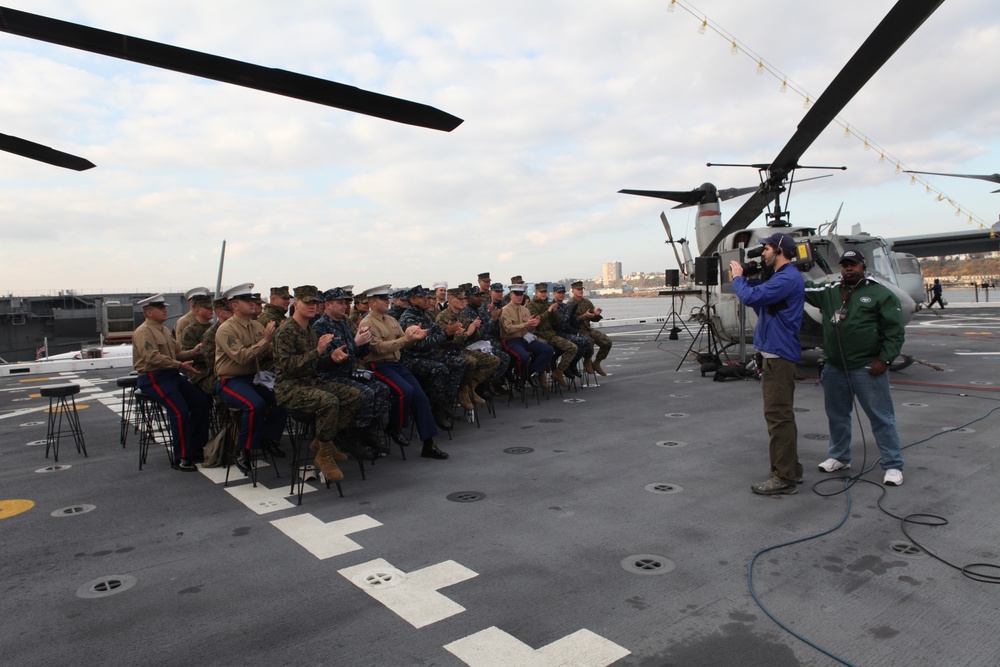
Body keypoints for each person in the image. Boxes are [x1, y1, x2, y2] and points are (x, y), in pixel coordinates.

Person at [804, 249, 906, 486]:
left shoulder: (881, 294)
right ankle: (840, 457)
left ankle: (893, 465)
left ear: (863, 266)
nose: (848, 268)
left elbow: (895, 331)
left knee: (881, 418)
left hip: (867, 367)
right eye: (845, 265)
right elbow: (801, 288)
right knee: (837, 416)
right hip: (835, 367)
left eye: (853, 264)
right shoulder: (829, 292)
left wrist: (885, 360)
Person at [729, 232, 806, 495]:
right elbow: (760, 305)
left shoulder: (787, 277)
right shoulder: (782, 278)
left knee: (777, 416)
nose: (762, 254)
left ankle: (784, 478)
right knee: (782, 415)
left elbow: (750, 298)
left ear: (779, 250)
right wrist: (751, 280)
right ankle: (791, 469)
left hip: (779, 355)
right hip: (776, 353)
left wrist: (738, 279)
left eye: (766, 249)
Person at [272, 285, 361, 482]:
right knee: (329, 401)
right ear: (296, 304)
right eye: (308, 302)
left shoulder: (309, 331)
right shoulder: (285, 331)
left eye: (315, 303)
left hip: (310, 382)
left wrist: (331, 357)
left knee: (354, 394)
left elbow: (314, 364)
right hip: (290, 388)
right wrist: (318, 352)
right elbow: (287, 366)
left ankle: (322, 444)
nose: (313, 306)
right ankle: (325, 454)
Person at [359, 284, 447, 460]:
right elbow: (377, 348)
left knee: (421, 398)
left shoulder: (391, 320)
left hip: (396, 364)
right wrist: (405, 339)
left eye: (387, 298)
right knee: (403, 392)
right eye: (383, 299)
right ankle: (394, 426)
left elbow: (404, 341)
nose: (387, 301)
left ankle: (428, 444)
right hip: (379, 365)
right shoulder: (367, 323)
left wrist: (413, 338)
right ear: (372, 302)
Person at [132, 293, 211, 472]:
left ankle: (196, 447)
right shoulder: (144, 331)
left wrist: (193, 352)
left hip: (170, 375)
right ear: (149, 312)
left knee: (201, 402)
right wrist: (179, 364)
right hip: (153, 377)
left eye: (164, 307)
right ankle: (182, 456)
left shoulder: (164, 330)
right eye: (160, 308)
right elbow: (151, 358)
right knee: (179, 411)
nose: (164, 311)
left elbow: (177, 352)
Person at [312, 287, 390, 455]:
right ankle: (351, 437)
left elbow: (360, 353)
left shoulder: (345, 323)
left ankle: (367, 432)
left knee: (382, 389)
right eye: (340, 303)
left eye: (346, 302)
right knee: (366, 393)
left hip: (348, 373)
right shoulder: (320, 326)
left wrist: (365, 340)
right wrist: (356, 343)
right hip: (330, 377)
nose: (345, 306)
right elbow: (330, 358)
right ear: (327, 305)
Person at [436, 286, 501, 405]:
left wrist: (475, 328)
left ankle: (470, 386)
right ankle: (463, 390)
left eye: (464, 299)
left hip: (461, 349)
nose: (463, 301)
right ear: (450, 300)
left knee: (493, 360)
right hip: (447, 351)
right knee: (470, 361)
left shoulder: (462, 316)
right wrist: (468, 332)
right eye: (459, 299)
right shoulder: (443, 317)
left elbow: (474, 337)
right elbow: (445, 340)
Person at [500, 283, 554, 389]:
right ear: (511, 295)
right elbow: (508, 329)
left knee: (548, 350)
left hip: (524, 338)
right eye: (517, 294)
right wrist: (526, 324)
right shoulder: (505, 310)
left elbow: (529, 329)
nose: (520, 297)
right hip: (511, 340)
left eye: (521, 294)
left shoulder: (525, 310)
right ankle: (520, 378)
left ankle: (530, 373)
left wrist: (533, 325)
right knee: (523, 357)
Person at [526, 282, 577, 388]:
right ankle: (541, 373)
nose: (543, 294)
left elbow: (558, 321)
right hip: (538, 335)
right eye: (541, 292)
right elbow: (536, 321)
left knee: (572, 348)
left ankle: (559, 372)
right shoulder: (531, 306)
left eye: (545, 291)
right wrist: (548, 312)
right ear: (536, 293)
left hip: (550, 334)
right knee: (545, 351)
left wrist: (554, 312)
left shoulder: (549, 304)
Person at [568, 281, 612, 375]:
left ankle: (597, 363)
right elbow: (570, 321)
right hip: (577, 330)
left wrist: (596, 314)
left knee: (607, 341)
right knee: (589, 342)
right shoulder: (570, 304)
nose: (580, 291)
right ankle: (587, 360)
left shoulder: (587, 302)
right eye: (578, 289)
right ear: (573, 291)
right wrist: (584, 316)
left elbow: (594, 319)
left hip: (587, 329)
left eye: (581, 289)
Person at [178, 293, 215, 396]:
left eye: (211, 308)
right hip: (199, 371)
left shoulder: (213, 327)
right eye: (207, 308)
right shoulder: (190, 331)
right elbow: (189, 357)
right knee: (219, 387)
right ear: (198, 311)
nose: (211, 310)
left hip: (214, 368)